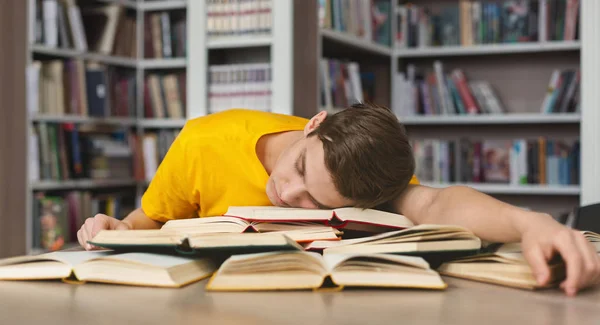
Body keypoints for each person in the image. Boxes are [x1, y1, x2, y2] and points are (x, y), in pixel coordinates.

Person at [77, 104, 600, 296]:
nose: (288, 193)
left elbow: (439, 207)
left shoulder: (365, 179)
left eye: (312, 202)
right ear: (315, 123)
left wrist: (534, 224)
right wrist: (114, 229)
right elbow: (146, 222)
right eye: (300, 167)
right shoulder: (204, 141)